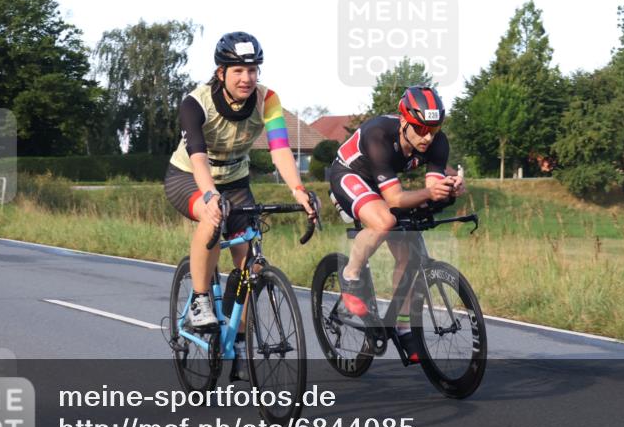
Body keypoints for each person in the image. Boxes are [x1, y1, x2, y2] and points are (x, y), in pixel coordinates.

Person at [164, 31, 315, 381]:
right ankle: (201, 300)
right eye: (238, 71)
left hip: (235, 181)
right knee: (211, 217)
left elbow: (279, 148)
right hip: (188, 176)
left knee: (250, 264)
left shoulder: (268, 100)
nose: (247, 78)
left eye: (252, 70)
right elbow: (198, 158)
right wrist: (209, 196)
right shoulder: (195, 102)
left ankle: (241, 340)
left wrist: (297, 189)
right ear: (221, 73)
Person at [327, 86, 465, 363]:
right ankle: (351, 275)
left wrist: (449, 189)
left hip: (383, 181)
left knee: (409, 251)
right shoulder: (379, 135)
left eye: (434, 129)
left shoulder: (438, 141)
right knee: (384, 221)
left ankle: (402, 326)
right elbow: (395, 198)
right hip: (350, 175)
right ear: (404, 121)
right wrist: (428, 194)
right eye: (420, 128)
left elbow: (431, 189)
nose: (427, 136)